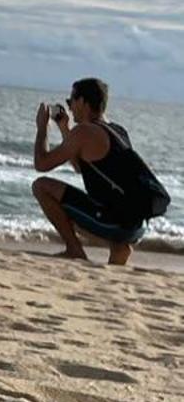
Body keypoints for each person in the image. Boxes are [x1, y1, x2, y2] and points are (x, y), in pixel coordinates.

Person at [31, 77, 168, 266]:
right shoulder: (117, 130)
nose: (69, 108)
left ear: (83, 102)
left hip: (115, 223)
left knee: (41, 186)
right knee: (108, 200)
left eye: (71, 101)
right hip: (137, 224)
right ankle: (119, 247)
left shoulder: (84, 132)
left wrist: (42, 128)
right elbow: (82, 168)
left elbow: (41, 163)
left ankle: (74, 249)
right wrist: (64, 128)